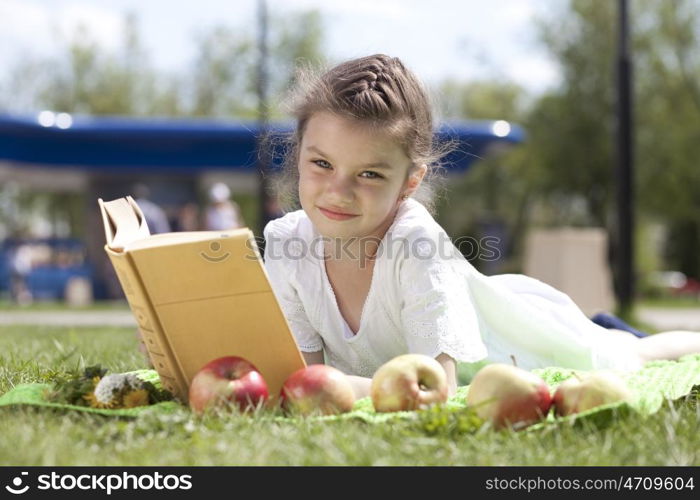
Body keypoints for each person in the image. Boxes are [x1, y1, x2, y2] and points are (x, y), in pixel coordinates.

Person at [260, 54, 700, 401]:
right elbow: (303, 375)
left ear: (409, 182)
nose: (338, 191)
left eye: (370, 174)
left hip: (520, 343)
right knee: (614, 336)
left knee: (629, 355)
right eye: (321, 164)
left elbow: (439, 387)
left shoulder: (416, 246)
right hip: (475, 312)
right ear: (298, 154)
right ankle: (606, 324)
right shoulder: (285, 244)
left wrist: (327, 387)